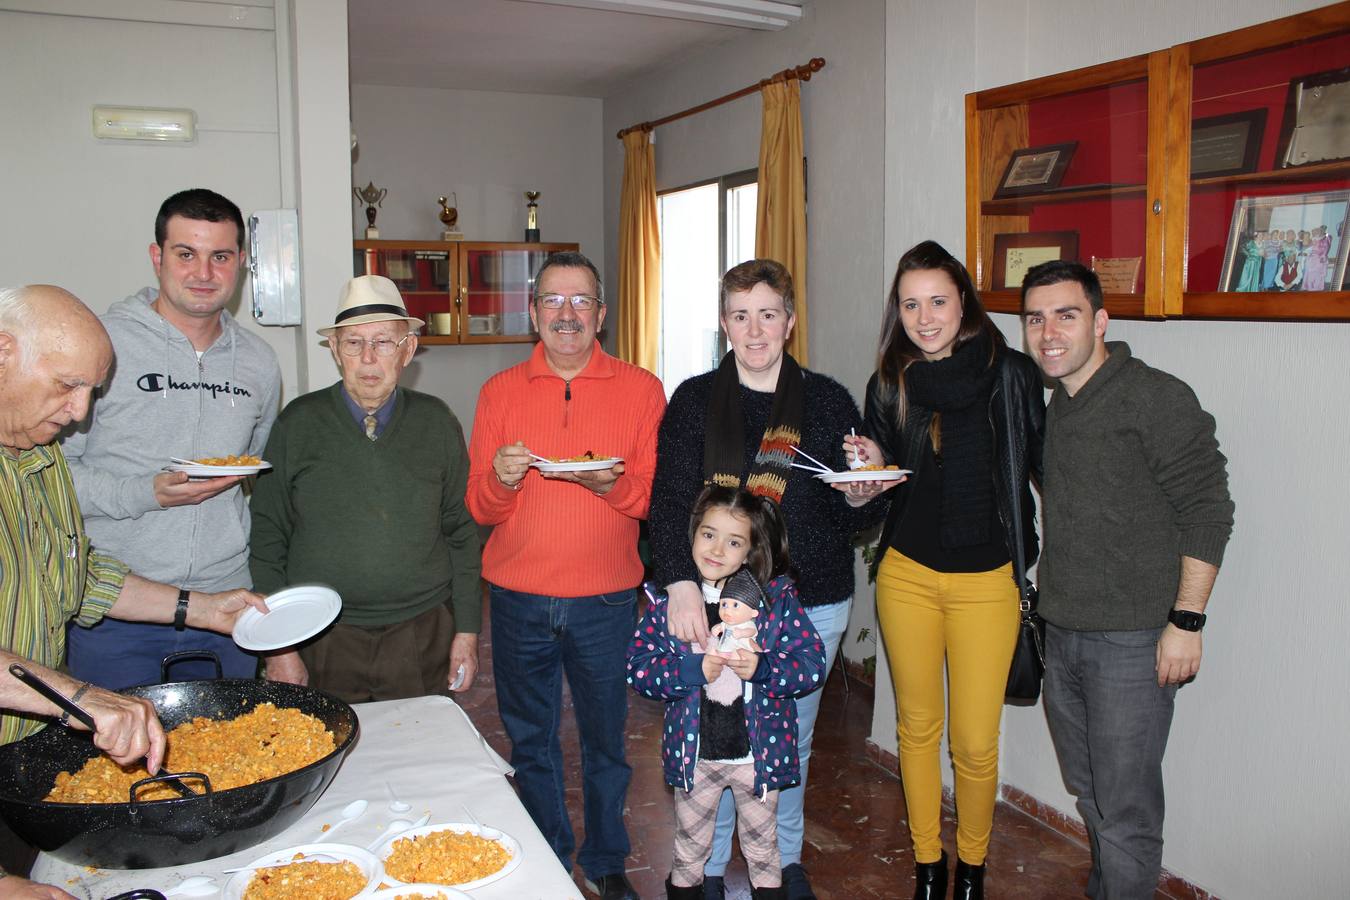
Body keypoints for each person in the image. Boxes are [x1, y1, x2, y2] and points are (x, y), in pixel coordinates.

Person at [0, 284, 266, 897]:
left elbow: (80, 574)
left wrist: (206, 611)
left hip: (17, 751)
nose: (80, 412)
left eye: (92, 391)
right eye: (67, 385)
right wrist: (80, 695)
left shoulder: (37, 460)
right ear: (5, 351)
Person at [649, 258, 886, 900]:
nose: (755, 331)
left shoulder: (828, 400)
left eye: (768, 314)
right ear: (724, 322)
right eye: (740, 315)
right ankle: (707, 865)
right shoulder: (695, 400)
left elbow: (848, 510)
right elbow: (670, 502)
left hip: (809, 605)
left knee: (786, 747)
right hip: (712, 604)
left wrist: (864, 495)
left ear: (790, 320)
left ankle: (778, 863)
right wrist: (677, 585)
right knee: (712, 744)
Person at [1021, 261, 1233, 899]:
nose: (1049, 332)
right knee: (1091, 793)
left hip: (1136, 642)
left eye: (1067, 315)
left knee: (1127, 809)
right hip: (1063, 633)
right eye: (1035, 319)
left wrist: (1186, 622)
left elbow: (1208, 510)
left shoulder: (1156, 397)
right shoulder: (1052, 406)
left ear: (1100, 321)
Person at [842, 240, 1043, 900]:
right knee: (916, 729)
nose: (924, 317)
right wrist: (865, 475)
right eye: (910, 304)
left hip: (988, 581)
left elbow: (1045, 470)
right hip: (907, 576)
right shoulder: (889, 385)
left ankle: (973, 871)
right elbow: (880, 491)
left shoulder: (1010, 373)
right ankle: (928, 865)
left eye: (937, 301)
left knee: (976, 742)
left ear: (964, 303)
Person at [466, 251, 665, 900]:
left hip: (607, 600)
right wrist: (499, 477)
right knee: (532, 743)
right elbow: (480, 508)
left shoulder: (641, 390)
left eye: (581, 301)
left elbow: (650, 501)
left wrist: (610, 487)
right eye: (553, 301)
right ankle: (550, 855)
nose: (567, 314)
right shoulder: (499, 392)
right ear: (533, 313)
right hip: (519, 599)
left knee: (608, 742)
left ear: (602, 313)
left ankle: (607, 861)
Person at [62, 189, 283, 690]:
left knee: (232, 760)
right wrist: (146, 493)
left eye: (220, 256)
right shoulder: (103, 344)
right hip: (117, 612)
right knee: (121, 766)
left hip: (228, 607)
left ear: (241, 264)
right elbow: (51, 478)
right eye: (186, 254)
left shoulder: (259, 362)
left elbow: (256, 468)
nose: (203, 273)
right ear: (157, 256)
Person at [249, 275, 481, 702]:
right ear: (336, 351)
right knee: (327, 759)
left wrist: (466, 631)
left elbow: (462, 532)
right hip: (320, 636)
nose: (369, 358)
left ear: (408, 350)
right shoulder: (297, 424)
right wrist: (279, 646)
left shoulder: (438, 423)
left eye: (384, 342)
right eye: (354, 343)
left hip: (421, 631)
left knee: (420, 753)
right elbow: (267, 536)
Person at [628, 487, 824, 900]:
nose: (717, 549)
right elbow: (640, 669)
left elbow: (810, 664)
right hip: (695, 760)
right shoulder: (672, 603)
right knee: (689, 850)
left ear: (751, 550)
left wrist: (765, 668)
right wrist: (689, 671)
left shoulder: (777, 603)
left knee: (763, 851)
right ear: (692, 534)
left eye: (733, 541)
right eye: (708, 534)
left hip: (758, 761)